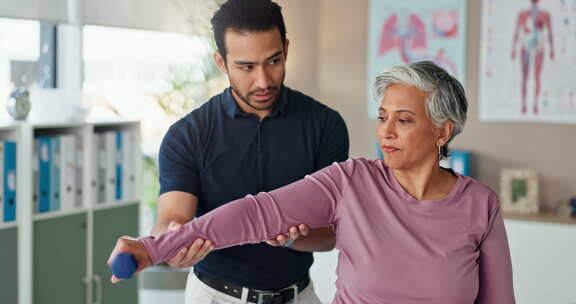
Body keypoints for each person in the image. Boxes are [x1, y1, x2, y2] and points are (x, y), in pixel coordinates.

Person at [110, 61, 516, 303]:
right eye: (382, 116)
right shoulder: (352, 180)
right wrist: (151, 247)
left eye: (404, 120)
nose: (386, 131)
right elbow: (258, 211)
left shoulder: (480, 205)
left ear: (442, 132)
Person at [149, 0, 350, 303]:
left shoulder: (326, 125)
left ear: (286, 48)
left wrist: (295, 238)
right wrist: (171, 244)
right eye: (246, 67)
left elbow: (333, 234)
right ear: (221, 62)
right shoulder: (187, 135)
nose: (263, 80)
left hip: (299, 296)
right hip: (215, 296)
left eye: (274, 61)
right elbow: (170, 219)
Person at [511, 0, 554, 115]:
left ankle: (535, 104)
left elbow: (550, 32)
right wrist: (513, 49)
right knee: (525, 78)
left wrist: (552, 50)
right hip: (525, 47)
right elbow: (516, 31)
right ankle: (524, 104)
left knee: (537, 77)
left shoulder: (545, 15)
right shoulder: (522, 14)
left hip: (539, 47)